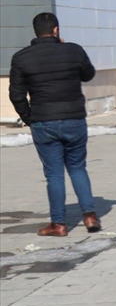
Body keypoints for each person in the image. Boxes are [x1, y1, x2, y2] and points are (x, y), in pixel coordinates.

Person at [8, 12, 101, 237]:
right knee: (78, 167)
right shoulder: (73, 50)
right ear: (56, 30)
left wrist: (29, 117)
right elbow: (88, 74)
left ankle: (58, 224)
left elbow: (16, 94)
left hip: (44, 121)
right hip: (74, 119)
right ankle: (89, 216)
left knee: (54, 174)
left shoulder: (21, 57)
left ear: (35, 32)